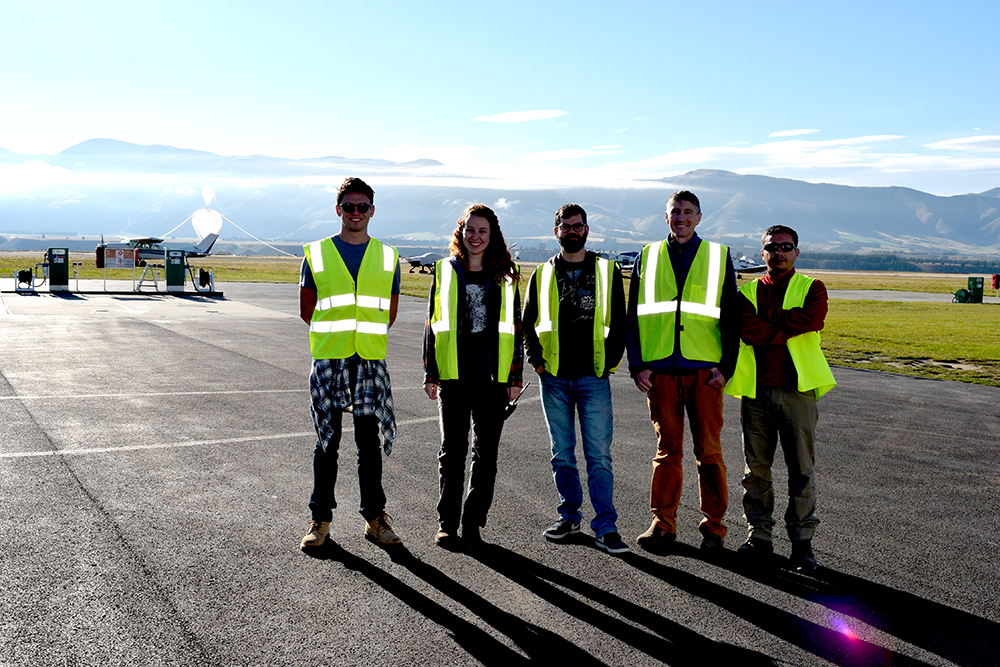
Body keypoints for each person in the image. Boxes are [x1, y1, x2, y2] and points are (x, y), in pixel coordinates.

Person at [625, 190, 740, 553]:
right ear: (666, 217)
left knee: (709, 451)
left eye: (688, 212)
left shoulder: (718, 256)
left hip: (704, 373)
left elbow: (731, 316)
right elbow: (634, 315)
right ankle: (662, 523)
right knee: (667, 451)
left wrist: (727, 366)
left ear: (700, 217)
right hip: (661, 372)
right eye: (676, 211)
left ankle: (714, 529)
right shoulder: (648, 255)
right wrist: (637, 364)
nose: (682, 218)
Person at [299, 177, 403, 550]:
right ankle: (320, 520)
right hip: (330, 358)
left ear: (372, 211)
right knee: (327, 443)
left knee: (368, 445)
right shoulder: (317, 253)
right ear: (338, 209)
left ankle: (375, 519)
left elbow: (389, 312)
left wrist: (362, 339)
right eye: (348, 206)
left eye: (362, 207)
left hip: (369, 360)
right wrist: (338, 339)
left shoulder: (388, 257)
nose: (355, 213)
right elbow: (306, 309)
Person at [724, 225, 836, 572]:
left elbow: (812, 318)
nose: (779, 253)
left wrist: (769, 324)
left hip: (798, 391)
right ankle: (759, 538)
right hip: (756, 392)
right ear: (763, 254)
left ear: (797, 253)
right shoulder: (749, 291)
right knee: (755, 472)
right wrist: (788, 326)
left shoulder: (812, 287)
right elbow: (746, 327)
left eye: (786, 247)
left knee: (802, 470)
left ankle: (802, 545)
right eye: (772, 248)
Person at [523, 204, 629, 554]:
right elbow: (528, 323)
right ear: (556, 232)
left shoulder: (606, 271)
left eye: (577, 226)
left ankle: (605, 525)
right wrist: (537, 363)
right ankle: (569, 515)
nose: (572, 231)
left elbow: (620, 321)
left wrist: (609, 364)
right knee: (562, 453)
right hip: (552, 377)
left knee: (599, 455)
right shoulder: (542, 274)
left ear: (587, 230)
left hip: (593, 377)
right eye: (565, 226)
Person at [423, 204, 523, 549]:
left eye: (482, 231)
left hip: (492, 379)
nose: (475, 237)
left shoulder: (506, 276)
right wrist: (431, 372)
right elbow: (433, 324)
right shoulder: (447, 272)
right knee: (451, 452)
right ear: (460, 233)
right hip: (454, 376)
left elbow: (516, 328)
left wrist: (514, 377)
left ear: (492, 235)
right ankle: (447, 523)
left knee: (486, 455)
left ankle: (473, 521)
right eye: (469, 230)